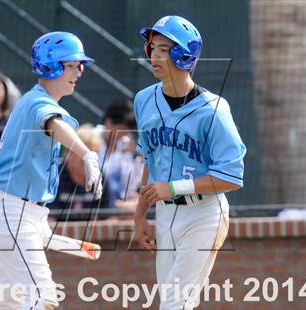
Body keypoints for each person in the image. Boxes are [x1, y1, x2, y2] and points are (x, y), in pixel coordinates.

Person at [0, 32, 103, 309]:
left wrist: (54, 237)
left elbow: (32, 213)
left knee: (12, 302)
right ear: (51, 66)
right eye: (72, 65)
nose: (79, 72)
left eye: (79, 66)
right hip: (11, 209)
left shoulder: (40, 101)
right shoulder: (37, 102)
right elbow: (54, 124)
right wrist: (86, 153)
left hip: (20, 211)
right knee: (43, 297)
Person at [133, 16, 246, 309]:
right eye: (152, 48)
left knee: (174, 304)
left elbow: (231, 177)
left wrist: (173, 187)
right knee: (176, 304)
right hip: (165, 214)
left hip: (204, 213)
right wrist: (139, 215)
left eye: (163, 49)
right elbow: (148, 157)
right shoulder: (144, 99)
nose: (154, 56)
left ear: (184, 56)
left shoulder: (214, 110)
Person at [49, 124, 113, 221]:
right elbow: (49, 219)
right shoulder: (54, 176)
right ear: (69, 153)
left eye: (94, 153)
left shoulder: (100, 177)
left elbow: (108, 217)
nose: (90, 161)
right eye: (84, 153)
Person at [93, 100, 143, 202]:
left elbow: (129, 186)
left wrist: (134, 156)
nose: (124, 134)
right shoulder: (90, 139)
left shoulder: (127, 145)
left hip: (117, 202)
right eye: (121, 129)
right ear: (108, 122)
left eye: (127, 130)